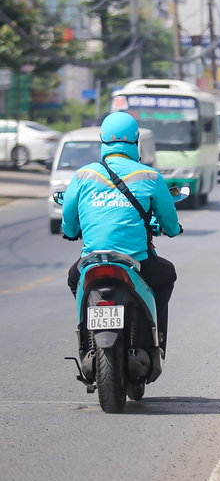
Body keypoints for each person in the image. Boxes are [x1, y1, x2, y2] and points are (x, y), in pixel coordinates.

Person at [63, 112, 181, 354]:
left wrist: (71, 231)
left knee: (74, 277)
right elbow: (169, 221)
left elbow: (69, 220)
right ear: (136, 141)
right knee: (166, 274)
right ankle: (154, 334)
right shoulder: (149, 176)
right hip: (137, 262)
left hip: (92, 261)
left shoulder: (83, 175)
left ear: (103, 141)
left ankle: (86, 328)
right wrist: (172, 230)